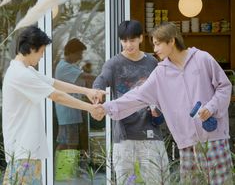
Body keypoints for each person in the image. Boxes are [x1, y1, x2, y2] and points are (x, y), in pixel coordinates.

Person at [98, 22, 234, 184]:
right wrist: (106, 108)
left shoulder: (202, 58)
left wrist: (211, 108)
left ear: (171, 41)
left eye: (157, 44)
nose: (155, 49)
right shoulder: (161, 72)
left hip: (214, 137)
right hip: (187, 143)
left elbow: (224, 87)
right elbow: (137, 96)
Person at [2, 26, 104, 184]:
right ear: (31, 48)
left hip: (27, 153)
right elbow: (57, 95)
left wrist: (86, 91)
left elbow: (54, 84)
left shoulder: (25, 70)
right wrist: (90, 108)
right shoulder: (20, 74)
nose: (42, 57)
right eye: (41, 51)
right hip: (23, 154)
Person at [93, 20, 169, 185]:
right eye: (124, 40)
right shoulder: (113, 64)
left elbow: (162, 93)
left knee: (157, 180)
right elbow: (100, 81)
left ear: (141, 38)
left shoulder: (152, 62)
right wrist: (97, 95)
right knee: (124, 182)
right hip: (124, 135)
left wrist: (159, 111)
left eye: (132, 40)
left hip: (151, 133)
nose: (128, 45)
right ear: (120, 41)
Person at [54, 38, 89, 180]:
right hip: (67, 113)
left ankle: (63, 172)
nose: (80, 57)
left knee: (66, 142)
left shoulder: (71, 65)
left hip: (72, 112)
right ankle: (65, 174)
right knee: (69, 143)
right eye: (79, 53)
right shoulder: (64, 67)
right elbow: (85, 77)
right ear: (71, 52)